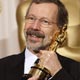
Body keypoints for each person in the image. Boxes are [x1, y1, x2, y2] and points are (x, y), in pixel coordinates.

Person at [0, 0, 80, 80]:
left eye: (45, 21)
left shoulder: (76, 70)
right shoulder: (2, 67)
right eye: (31, 18)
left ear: (59, 30)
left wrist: (57, 72)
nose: (35, 27)